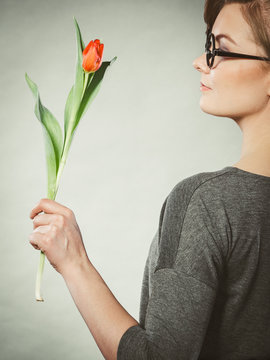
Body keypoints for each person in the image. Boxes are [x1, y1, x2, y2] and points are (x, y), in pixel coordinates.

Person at [29, 1, 270, 359]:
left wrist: (74, 262)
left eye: (222, 49)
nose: (200, 62)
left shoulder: (204, 202)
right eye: (208, 46)